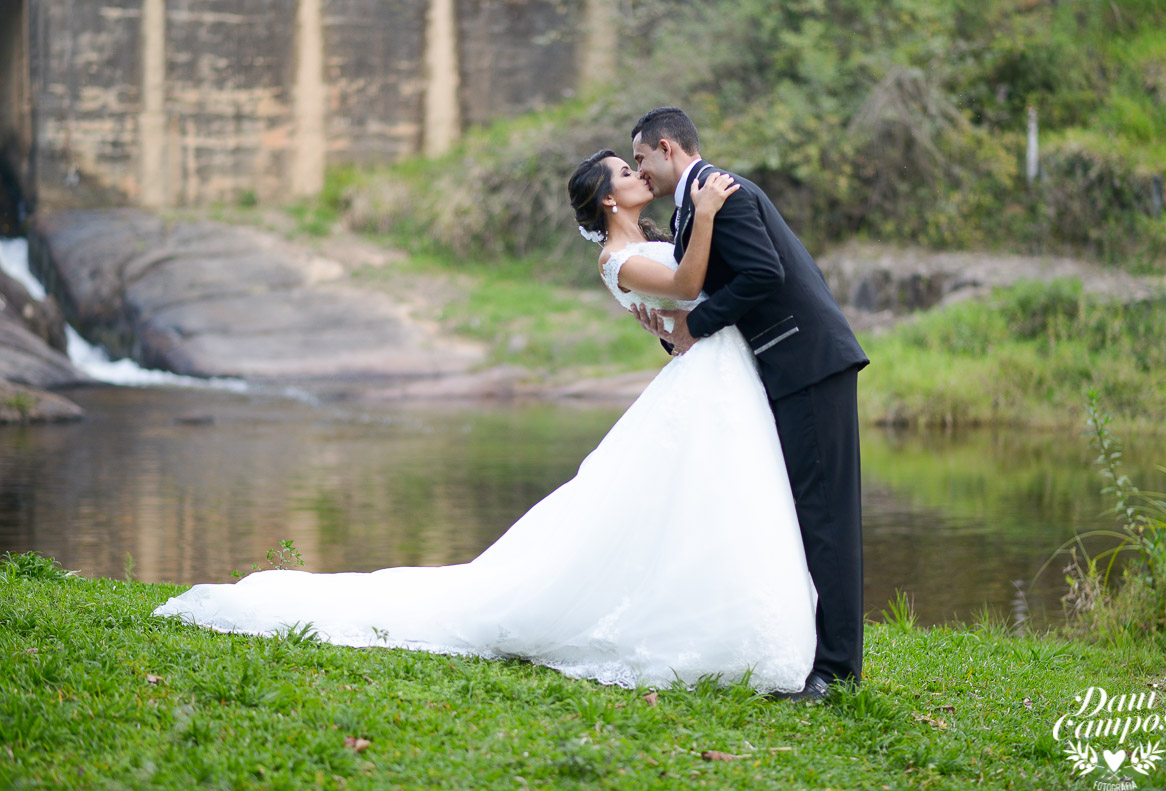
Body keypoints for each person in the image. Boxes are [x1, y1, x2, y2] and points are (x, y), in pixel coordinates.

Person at [153, 151, 819, 695]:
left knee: (703, 497)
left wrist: (675, 317)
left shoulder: (650, 239)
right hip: (704, 377)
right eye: (625, 171)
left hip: (710, 372)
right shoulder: (618, 259)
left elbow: (685, 307)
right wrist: (707, 217)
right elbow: (685, 289)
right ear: (608, 200)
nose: (638, 173)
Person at [629, 107, 869, 702]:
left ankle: (838, 674)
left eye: (640, 158)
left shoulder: (722, 192)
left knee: (828, 518)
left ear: (666, 147)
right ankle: (819, 657)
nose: (640, 170)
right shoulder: (692, 208)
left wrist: (695, 325)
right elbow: (710, 285)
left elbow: (763, 273)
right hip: (786, 368)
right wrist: (674, 329)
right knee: (807, 513)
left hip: (809, 362)